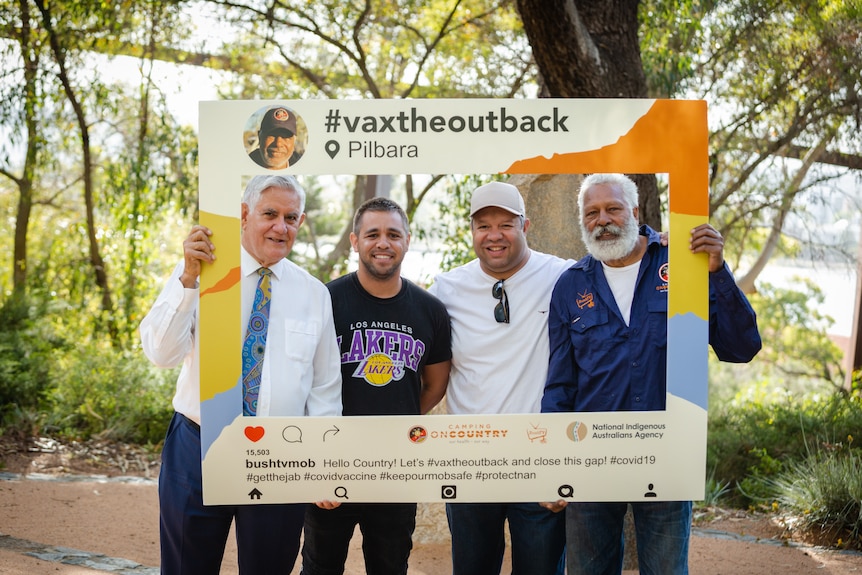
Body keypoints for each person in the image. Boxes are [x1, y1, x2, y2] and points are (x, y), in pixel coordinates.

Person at [542, 173, 762, 575]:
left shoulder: (682, 263)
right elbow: (560, 384)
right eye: (592, 212)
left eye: (612, 208)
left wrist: (717, 271)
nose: (602, 220)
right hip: (592, 458)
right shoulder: (569, 286)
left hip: (668, 453)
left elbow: (741, 348)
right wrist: (555, 461)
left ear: (636, 211)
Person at [140, 175, 341, 574]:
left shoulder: (314, 293)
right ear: (244, 215)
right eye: (270, 214)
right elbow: (161, 354)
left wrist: (323, 463)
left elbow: (323, 387)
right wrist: (187, 279)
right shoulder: (202, 275)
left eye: (291, 217)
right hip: (197, 448)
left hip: (282, 457)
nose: (281, 227)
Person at [301, 197, 452, 575]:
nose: (383, 243)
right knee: (321, 566)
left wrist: (399, 420)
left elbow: (435, 383)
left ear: (407, 240)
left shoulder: (430, 309)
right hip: (333, 460)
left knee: (390, 566)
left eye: (393, 234)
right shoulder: (325, 299)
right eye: (372, 234)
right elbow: (302, 379)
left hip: (395, 465)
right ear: (355, 241)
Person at [427, 181, 572, 575]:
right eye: (483, 225)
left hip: (539, 460)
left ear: (526, 225)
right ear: (471, 231)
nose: (494, 235)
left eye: (506, 224)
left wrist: (654, 242)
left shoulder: (563, 276)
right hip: (470, 462)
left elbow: (619, 270)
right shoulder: (446, 289)